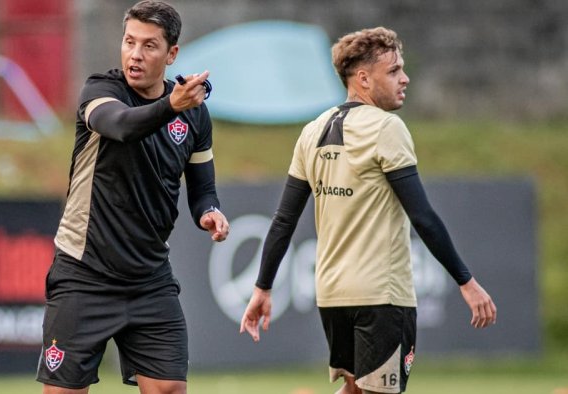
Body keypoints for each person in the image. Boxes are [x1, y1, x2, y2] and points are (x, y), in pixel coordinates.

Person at [239, 27, 496, 394]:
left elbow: (284, 220)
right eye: (393, 71)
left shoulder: (312, 131)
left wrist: (262, 287)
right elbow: (422, 215)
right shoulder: (386, 128)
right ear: (363, 78)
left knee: (356, 390)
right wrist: (466, 282)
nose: (404, 78)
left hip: (331, 295)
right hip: (381, 295)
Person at [36, 1, 229, 393]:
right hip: (84, 272)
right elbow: (122, 126)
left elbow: (202, 188)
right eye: (129, 42)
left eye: (149, 46)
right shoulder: (101, 90)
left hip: (149, 278)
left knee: (169, 388)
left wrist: (209, 212)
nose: (135, 55)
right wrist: (170, 105)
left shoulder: (193, 114)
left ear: (172, 54)